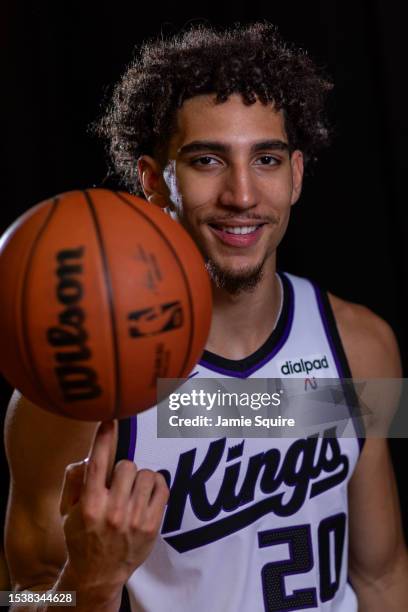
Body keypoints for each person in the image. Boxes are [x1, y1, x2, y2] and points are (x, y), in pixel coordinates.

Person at [4, 22, 408, 612]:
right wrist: (90, 586)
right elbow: (24, 595)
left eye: (265, 159)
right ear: (154, 182)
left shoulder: (361, 345)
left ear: (295, 175)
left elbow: (381, 574)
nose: (242, 194)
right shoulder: (74, 388)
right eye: (207, 161)